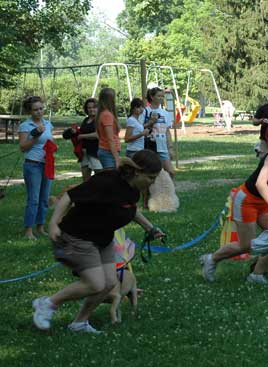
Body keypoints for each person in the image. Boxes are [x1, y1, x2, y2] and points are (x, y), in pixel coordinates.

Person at [32, 150, 164, 334]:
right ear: (137, 172)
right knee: (95, 284)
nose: (153, 182)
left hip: (103, 238)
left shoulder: (134, 189)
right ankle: (47, 304)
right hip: (78, 235)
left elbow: (130, 209)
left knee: (109, 282)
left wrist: (150, 228)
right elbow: (70, 196)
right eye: (151, 177)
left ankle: (79, 323)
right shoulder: (107, 181)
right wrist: (53, 222)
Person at [200, 123, 268, 284]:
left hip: (262, 200)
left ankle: (256, 275)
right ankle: (212, 259)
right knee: (246, 245)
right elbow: (261, 183)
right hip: (247, 200)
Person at [18, 96, 55, 240]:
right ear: (30, 111)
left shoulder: (48, 123)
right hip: (33, 165)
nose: (39, 112)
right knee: (33, 199)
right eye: (35, 109)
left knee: (44, 198)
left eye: (41, 108)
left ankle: (40, 227)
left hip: (47, 164)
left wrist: (52, 150)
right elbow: (22, 147)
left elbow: (49, 141)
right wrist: (35, 136)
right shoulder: (25, 126)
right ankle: (28, 230)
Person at [143, 87, 176, 178]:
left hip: (162, 146)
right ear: (152, 97)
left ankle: (169, 191)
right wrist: (151, 122)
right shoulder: (145, 111)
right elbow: (139, 128)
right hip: (150, 145)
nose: (161, 98)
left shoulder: (165, 113)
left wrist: (170, 148)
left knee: (170, 172)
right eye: (159, 96)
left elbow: (167, 131)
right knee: (150, 173)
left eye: (162, 96)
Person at [96, 88, 121, 170]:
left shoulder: (104, 113)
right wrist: (117, 159)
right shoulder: (107, 115)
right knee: (111, 180)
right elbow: (110, 139)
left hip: (108, 151)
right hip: (108, 152)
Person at [78, 98, 102, 181]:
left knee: (99, 179)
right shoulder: (85, 120)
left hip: (95, 153)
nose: (91, 109)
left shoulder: (99, 120)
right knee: (85, 180)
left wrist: (82, 136)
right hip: (85, 153)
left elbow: (97, 135)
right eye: (89, 108)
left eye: (94, 107)